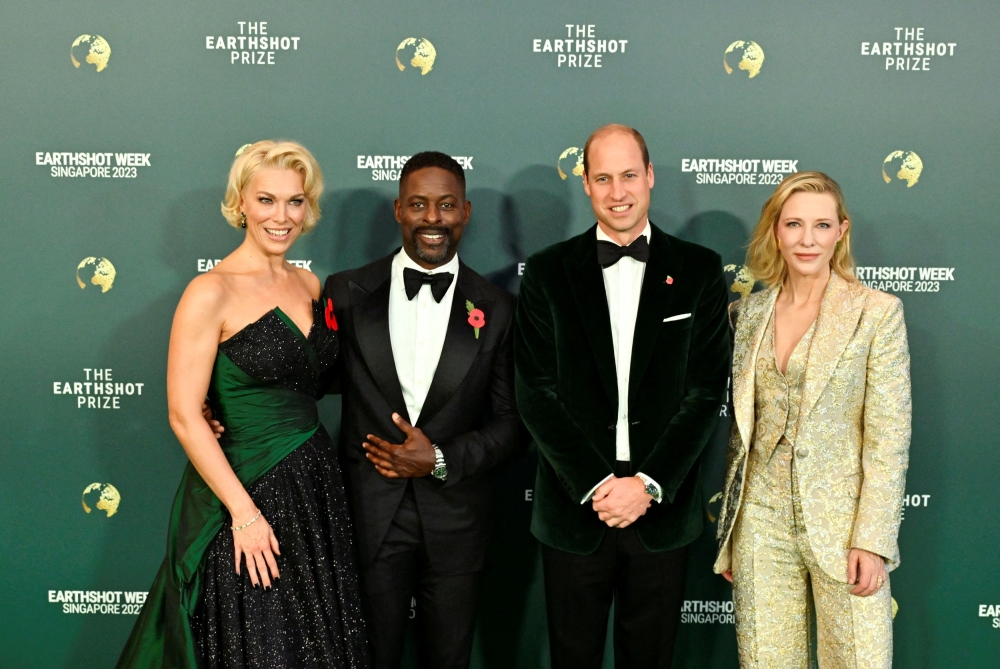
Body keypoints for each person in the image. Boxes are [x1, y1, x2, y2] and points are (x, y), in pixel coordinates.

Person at [117, 141, 370, 669]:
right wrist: (245, 515)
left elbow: (313, 381)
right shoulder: (210, 291)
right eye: (266, 200)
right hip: (242, 493)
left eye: (295, 202)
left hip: (314, 486)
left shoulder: (309, 284)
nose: (282, 217)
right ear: (241, 205)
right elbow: (185, 415)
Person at [514, 124, 730, 668]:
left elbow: (706, 393)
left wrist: (648, 485)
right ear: (585, 184)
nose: (618, 192)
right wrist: (597, 484)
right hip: (574, 509)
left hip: (661, 512)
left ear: (650, 177)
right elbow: (535, 393)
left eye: (629, 175)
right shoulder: (546, 271)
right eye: (603, 178)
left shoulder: (699, 269)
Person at [320, 152, 522, 668]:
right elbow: (308, 381)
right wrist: (226, 402)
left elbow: (512, 424)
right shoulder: (345, 290)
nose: (433, 218)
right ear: (398, 211)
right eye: (419, 204)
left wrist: (436, 459)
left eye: (446, 205)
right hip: (367, 513)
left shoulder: (497, 308)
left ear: (466, 212)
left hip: (457, 516)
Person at [713, 172, 911, 668]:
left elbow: (888, 438)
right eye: (794, 224)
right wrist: (733, 532)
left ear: (840, 232)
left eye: (821, 225)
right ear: (775, 231)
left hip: (844, 526)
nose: (807, 239)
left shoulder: (876, 313)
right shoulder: (747, 314)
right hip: (759, 520)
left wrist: (873, 539)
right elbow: (742, 431)